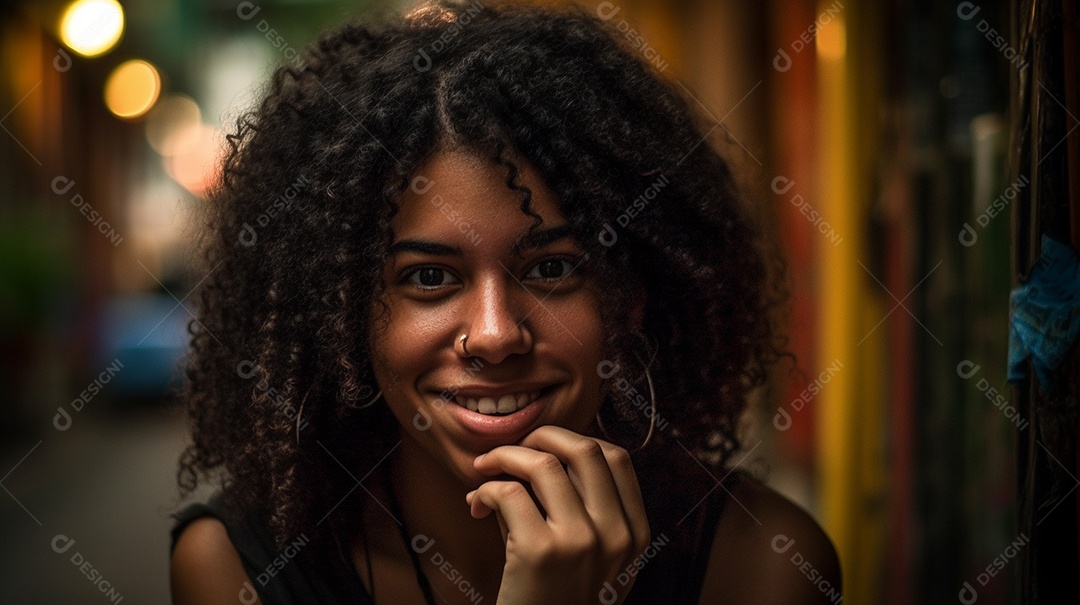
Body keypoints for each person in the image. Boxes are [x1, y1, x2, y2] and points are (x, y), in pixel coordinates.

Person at [169, 1, 841, 603]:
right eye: (430, 278)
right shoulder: (237, 569)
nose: (494, 335)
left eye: (552, 267)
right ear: (342, 311)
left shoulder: (765, 568)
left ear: (633, 297)